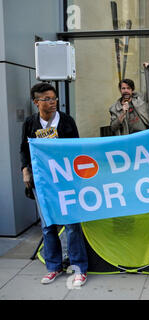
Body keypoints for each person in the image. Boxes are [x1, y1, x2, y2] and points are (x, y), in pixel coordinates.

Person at [20, 82, 88, 287]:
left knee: (71, 225)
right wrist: (25, 171)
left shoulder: (66, 121)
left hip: (66, 181)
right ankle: (53, 267)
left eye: (54, 98)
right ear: (36, 102)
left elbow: (76, 149)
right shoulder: (30, 123)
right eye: (46, 99)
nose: (52, 103)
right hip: (42, 182)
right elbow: (24, 149)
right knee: (48, 226)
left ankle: (79, 268)